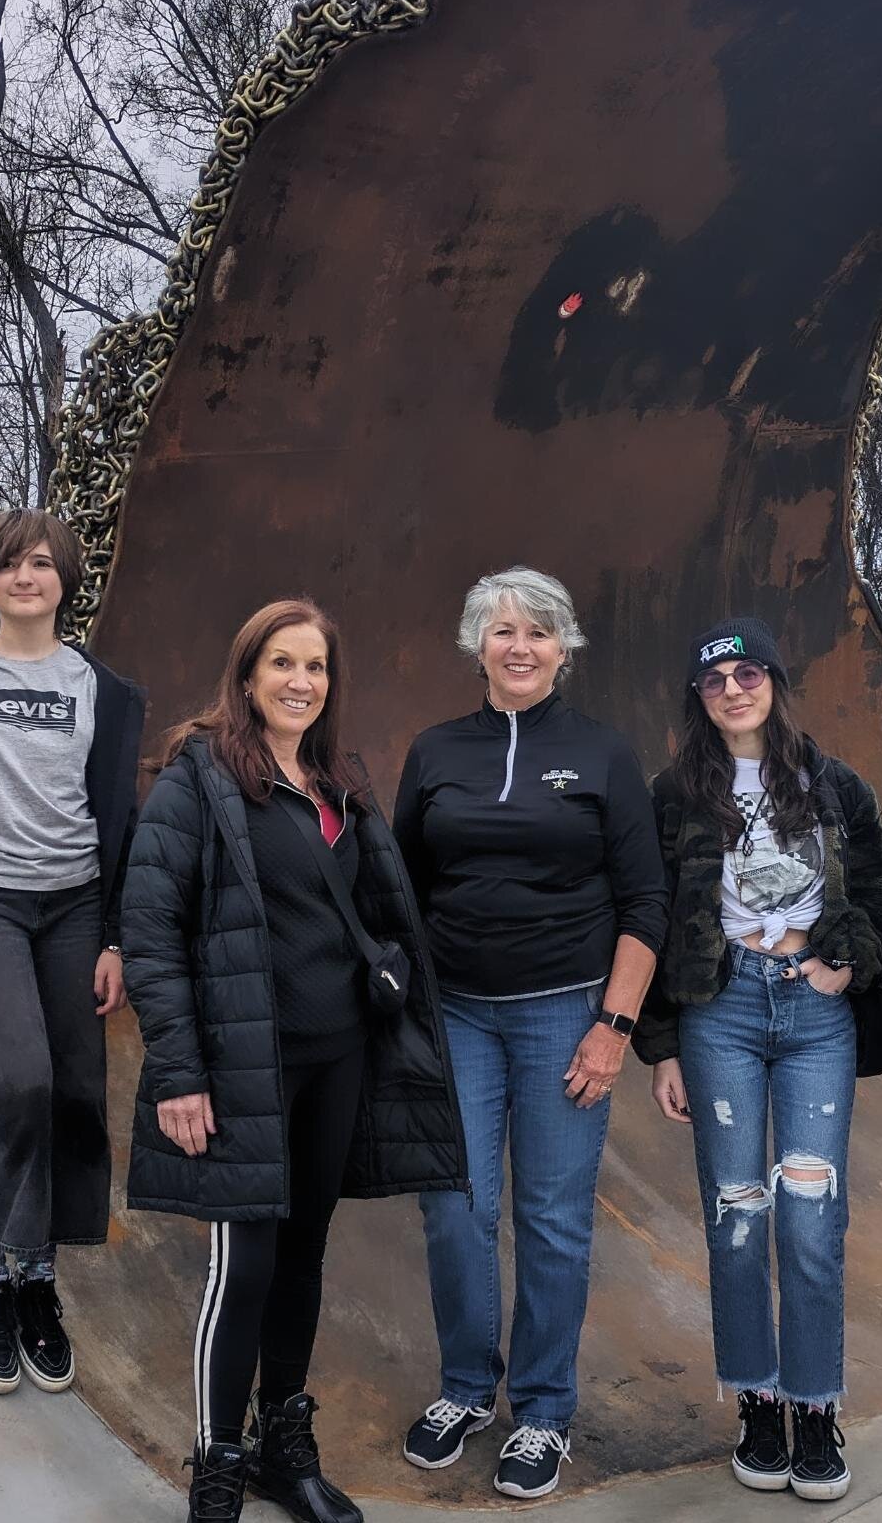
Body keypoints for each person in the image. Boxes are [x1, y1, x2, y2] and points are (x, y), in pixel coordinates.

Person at [122, 599, 466, 1523]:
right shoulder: (197, 777)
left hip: (338, 1058)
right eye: (282, 663)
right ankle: (218, 1463)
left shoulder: (334, 780)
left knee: (305, 1256)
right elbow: (150, 929)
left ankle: (284, 1447)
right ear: (247, 674)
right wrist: (181, 1071)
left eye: (316, 667)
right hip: (243, 1065)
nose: (300, 682)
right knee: (245, 1266)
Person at [393, 567, 668, 1501]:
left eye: (539, 633)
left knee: (551, 1217)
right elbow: (403, 890)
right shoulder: (435, 752)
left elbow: (645, 902)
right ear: (478, 645)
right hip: (458, 1013)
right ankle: (468, 1388)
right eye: (503, 631)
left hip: (566, 1012)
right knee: (454, 1206)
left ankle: (543, 1409)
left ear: (564, 649)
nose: (520, 648)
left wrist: (613, 1027)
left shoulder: (602, 754)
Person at [633, 615, 882, 1503]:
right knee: (737, 1214)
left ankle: (817, 1409)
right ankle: (757, 1402)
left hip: (814, 1009)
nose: (734, 689)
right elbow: (656, 913)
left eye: (750, 673)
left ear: (777, 682)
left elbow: (876, 886)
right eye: (715, 680)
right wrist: (662, 1046)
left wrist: (847, 959)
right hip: (722, 1012)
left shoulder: (832, 784)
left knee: (811, 1216)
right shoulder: (673, 793)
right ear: (697, 700)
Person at [0, 508, 144, 1398]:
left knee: (77, 1086)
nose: (26, 577)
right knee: (18, 1078)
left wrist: (115, 933)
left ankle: (36, 1276)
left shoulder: (105, 691)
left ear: (64, 580)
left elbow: (116, 824)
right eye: (9, 564)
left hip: (76, 905)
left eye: (41, 563)